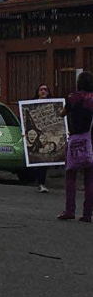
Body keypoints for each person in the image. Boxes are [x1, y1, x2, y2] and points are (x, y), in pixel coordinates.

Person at [58, 72, 93, 221]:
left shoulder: (72, 98)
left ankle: (70, 210)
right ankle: (87, 213)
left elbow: (63, 113)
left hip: (75, 139)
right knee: (90, 178)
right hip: (91, 139)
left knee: (71, 175)